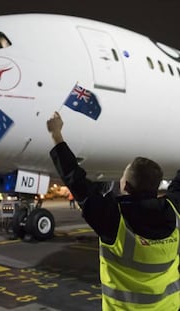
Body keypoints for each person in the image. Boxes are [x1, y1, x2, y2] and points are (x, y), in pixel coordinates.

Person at [47, 111, 180, 310]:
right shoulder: (173, 209)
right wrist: (56, 137)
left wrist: (56, 134)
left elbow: (75, 179)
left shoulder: (113, 220)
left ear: (125, 186)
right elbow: (75, 180)